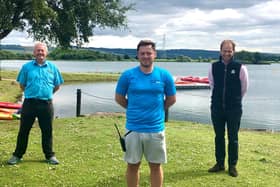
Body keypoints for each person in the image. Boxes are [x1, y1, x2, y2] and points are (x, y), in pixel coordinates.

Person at [115, 40, 176, 187]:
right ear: (138, 55)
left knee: (155, 166)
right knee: (132, 165)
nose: (146, 56)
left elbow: (171, 99)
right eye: (142, 53)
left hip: (155, 129)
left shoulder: (164, 75)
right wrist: (133, 109)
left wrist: (157, 110)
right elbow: (119, 98)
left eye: (149, 53)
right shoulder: (127, 75)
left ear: (154, 54)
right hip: (133, 129)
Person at [7, 42, 64, 165]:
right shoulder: (26, 67)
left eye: (42, 50)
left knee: (47, 131)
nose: (40, 53)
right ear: (34, 53)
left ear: (46, 53)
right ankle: (17, 155)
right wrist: (32, 93)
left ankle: (50, 156)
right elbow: (22, 85)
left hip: (46, 104)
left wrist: (46, 94)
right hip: (29, 103)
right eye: (38, 50)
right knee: (24, 130)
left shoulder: (53, 68)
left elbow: (57, 85)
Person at [207, 40, 249, 177]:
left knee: (233, 138)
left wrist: (234, 101)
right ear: (220, 51)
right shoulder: (213, 67)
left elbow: (244, 88)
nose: (227, 53)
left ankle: (232, 166)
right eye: (224, 50)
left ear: (233, 52)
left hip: (234, 109)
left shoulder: (240, 68)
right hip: (217, 108)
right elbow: (212, 86)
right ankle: (219, 164)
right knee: (219, 136)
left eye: (229, 50)